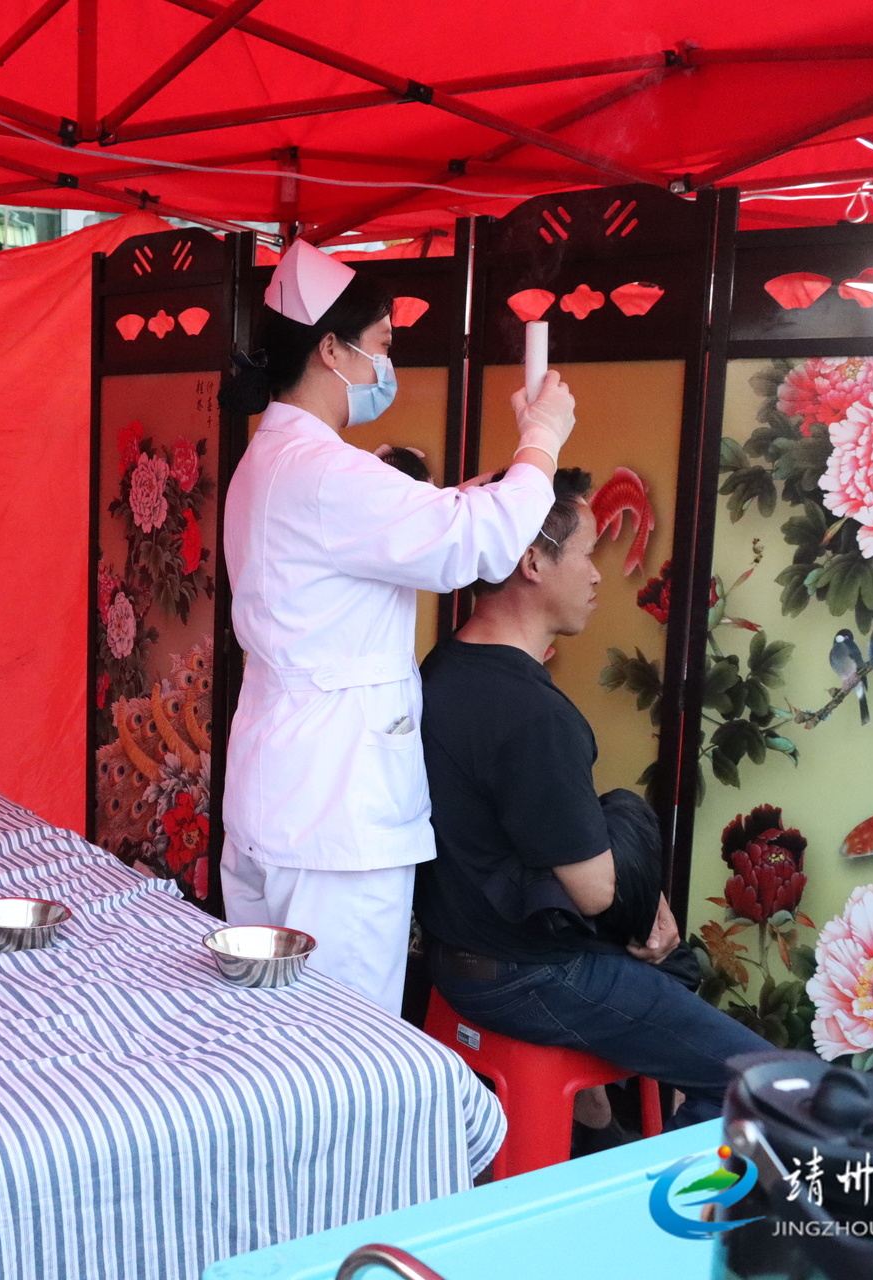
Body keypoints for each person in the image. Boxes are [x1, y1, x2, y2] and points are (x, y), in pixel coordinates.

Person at [216, 239, 579, 1015]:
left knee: (269, 1030)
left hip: (279, 790)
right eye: (380, 345)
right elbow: (475, 544)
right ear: (330, 350)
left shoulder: (271, 462)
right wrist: (541, 440)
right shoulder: (325, 472)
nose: (387, 365)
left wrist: (482, 490)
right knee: (339, 1042)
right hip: (335, 816)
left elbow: (424, 525)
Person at [416, 468, 775, 1132]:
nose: (596, 576)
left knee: (672, 966)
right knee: (765, 1085)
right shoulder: (532, 714)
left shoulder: (442, 668)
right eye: (585, 553)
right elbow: (594, 893)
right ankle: (657, 1186)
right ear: (532, 561)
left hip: (457, 957)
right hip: (527, 975)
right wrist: (639, 892)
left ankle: (593, 1119)